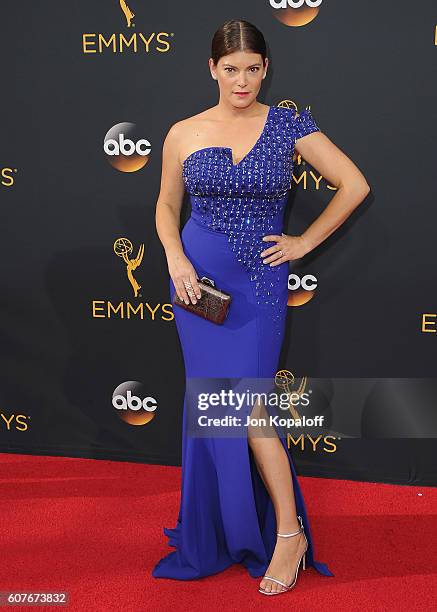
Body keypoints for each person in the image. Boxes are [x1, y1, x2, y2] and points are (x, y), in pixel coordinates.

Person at [153, 18, 370, 595]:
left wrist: (302, 243)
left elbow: (354, 184)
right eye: (230, 69)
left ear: (266, 69)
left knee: (248, 411)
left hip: (259, 285)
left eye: (252, 69)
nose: (241, 80)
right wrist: (176, 259)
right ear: (211, 69)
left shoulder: (287, 124)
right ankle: (221, 528)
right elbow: (165, 205)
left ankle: (288, 533)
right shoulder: (183, 131)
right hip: (196, 284)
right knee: (210, 404)